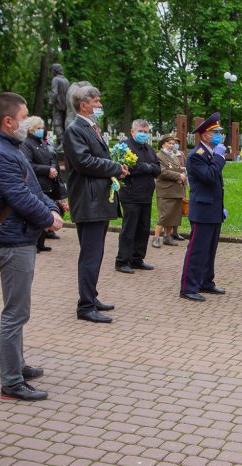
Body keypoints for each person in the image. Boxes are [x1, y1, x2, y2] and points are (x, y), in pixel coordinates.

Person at [0, 93, 63, 402]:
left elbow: (32, 188)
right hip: (11, 241)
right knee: (15, 312)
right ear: (9, 121)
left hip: (21, 237)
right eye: (24, 117)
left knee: (19, 310)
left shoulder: (11, 148)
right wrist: (48, 219)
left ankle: (17, 364)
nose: (28, 123)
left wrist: (52, 207)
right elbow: (19, 197)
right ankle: (11, 382)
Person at [62, 84, 127, 324]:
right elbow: (84, 161)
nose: (100, 105)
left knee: (96, 254)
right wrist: (115, 168)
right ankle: (85, 306)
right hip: (88, 202)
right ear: (84, 104)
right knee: (90, 255)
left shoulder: (92, 128)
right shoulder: (75, 129)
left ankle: (91, 296)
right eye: (96, 101)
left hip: (97, 200)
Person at [179, 112, 228, 301]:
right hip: (202, 210)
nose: (219, 135)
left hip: (213, 209)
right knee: (197, 250)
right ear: (205, 135)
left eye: (219, 132)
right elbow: (209, 176)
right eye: (215, 132)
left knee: (210, 249)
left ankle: (206, 282)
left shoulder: (210, 154)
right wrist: (220, 159)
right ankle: (188, 287)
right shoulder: (196, 156)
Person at [114, 119, 162, 273]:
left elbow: (157, 169)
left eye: (145, 132)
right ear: (132, 131)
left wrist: (146, 167)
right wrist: (147, 167)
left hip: (146, 195)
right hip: (130, 194)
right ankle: (122, 261)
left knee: (143, 228)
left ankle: (137, 258)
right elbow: (128, 167)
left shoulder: (149, 149)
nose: (143, 134)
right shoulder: (125, 147)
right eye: (140, 131)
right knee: (129, 229)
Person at [20, 116, 66, 252]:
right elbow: (28, 164)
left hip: (48, 184)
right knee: (38, 213)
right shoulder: (26, 144)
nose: (41, 131)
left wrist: (53, 168)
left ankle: (41, 242)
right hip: (38, 183)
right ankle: (34, 243)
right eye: (38, 128)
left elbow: (52, 157)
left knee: (46, 211)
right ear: (30, 129)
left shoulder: (41, 142)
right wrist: (47, 170)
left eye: (42, 128)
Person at [153, 134, 186, 248]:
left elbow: (176, 168)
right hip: (165, 191)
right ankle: (156, 237)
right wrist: (179, 175)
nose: (172, 145)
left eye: (173, 143)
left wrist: (182, 172)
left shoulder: (174, 156)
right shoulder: (158, 156)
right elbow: (161, 172)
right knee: (164, 215)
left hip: (176, 190)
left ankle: (167, 236)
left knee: (173, 216)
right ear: (163, 144)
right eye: (169, 143)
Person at [49, 63, 69, 140]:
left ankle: (61, 141)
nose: (52, 72)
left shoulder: (55, 79)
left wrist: (51, 102)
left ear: (55, 71)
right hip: (65, 106)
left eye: (52, 70)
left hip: (58, 105)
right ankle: (62, 142)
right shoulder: (66, 80)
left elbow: (54, 93)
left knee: (57, 124)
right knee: (64, 124)